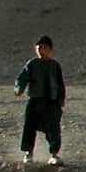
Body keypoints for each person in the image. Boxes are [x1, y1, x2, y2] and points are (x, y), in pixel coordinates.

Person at [15, 35, 66, 165]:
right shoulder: (32, 64)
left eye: (43, 48)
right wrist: (19, 88)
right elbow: (22, 78)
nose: (40, 50)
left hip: (50, 102)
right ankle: (28, 154)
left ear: (49, 49)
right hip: (35, 100)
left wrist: (61, 98)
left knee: (53, 127)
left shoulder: (55, 65)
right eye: (38, 48)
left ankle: (54, 155)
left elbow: (60, 84)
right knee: (29, 126)